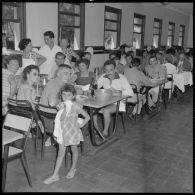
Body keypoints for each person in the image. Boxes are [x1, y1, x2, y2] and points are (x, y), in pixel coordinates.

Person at [43, 84, 90, 184]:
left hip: (72, 132)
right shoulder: (61, 105)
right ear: (61, 95)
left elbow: (87, 117)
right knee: (60, 154)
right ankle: (55, 175)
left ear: (73, 96)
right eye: (64, 95)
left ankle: (73, 168)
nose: (66, 97)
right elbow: (61, 118)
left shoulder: (76, 106)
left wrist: (80, 126)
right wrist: (61, 107)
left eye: (68, 95)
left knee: (74, 150)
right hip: (62, 132)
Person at [95, 59, 134, 137]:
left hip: (119, 102)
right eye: (106, 70)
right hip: (106, 101)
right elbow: (96, 88)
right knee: (92, 110)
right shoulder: (103, 76)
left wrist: (120, 92)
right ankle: (97, 130)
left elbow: (131, 92)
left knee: (106, 111)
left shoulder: (121, 77)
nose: (108, 72)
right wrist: (95, 80)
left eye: (111, 70)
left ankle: (105, 132)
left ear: (115, 69)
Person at [39, 64, 73, 146]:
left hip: (43, 116)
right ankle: (70, 143)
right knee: (79, 114)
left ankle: (52, 138)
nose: (68, 76)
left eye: (70, 74)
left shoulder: (54, 81)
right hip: (50, 119)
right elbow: (52, 103)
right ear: (58, 74)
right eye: (65, 73)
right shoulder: (57, 85)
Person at [17, 65, 44, 133]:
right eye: (35, 74)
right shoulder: (27, 87)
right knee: (44, 113)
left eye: (38, 74)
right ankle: (38, 126)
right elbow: (29, 102)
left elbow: (34, 101)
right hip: (26, 111)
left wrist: (38, 96)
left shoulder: (28, 85)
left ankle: (33, 127)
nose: (37, 76)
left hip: (23, 109)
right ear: (28, 75)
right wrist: (37, 118)